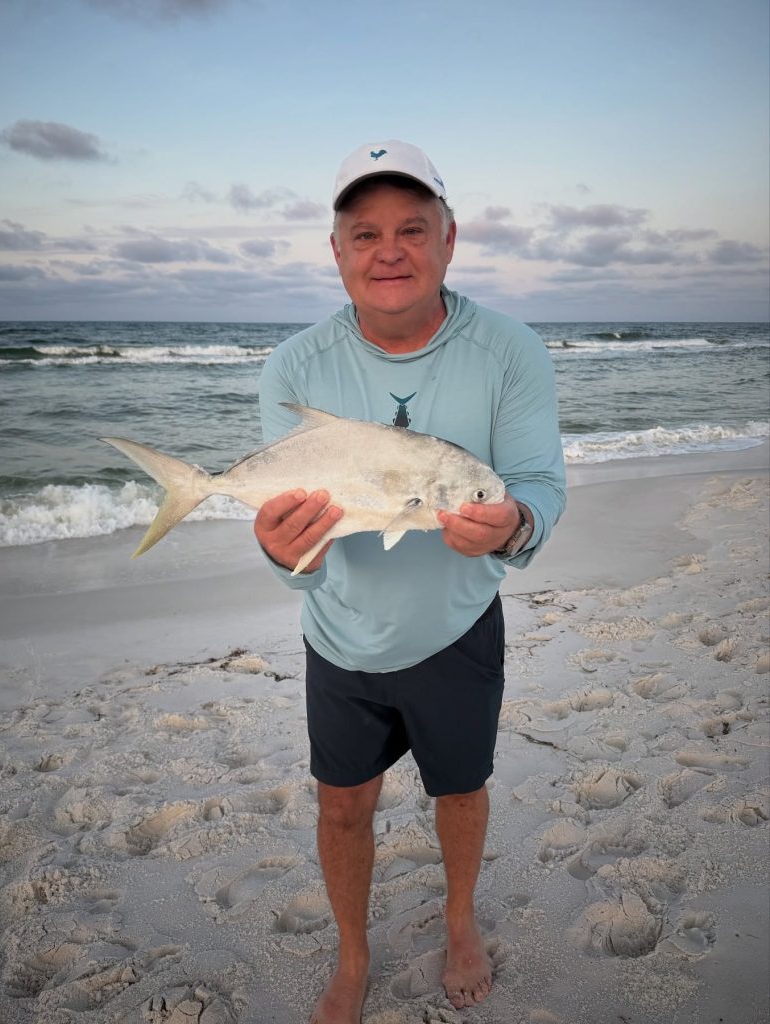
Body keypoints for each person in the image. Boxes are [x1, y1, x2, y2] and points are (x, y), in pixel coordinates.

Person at [254, 140, 566, 1023]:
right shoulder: (294, 365)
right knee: (341, 804)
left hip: (457, 626)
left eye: (411, 229)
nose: (387, 251)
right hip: (340, 633)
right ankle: (353, 956)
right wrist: (283, 553)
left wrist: (514, 523)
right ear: (337, 252)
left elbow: (538, 485)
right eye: (365, 234)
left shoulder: (508, 349)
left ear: (448, 240)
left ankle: (460, 920)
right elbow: (294, 542)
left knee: (458, 790)